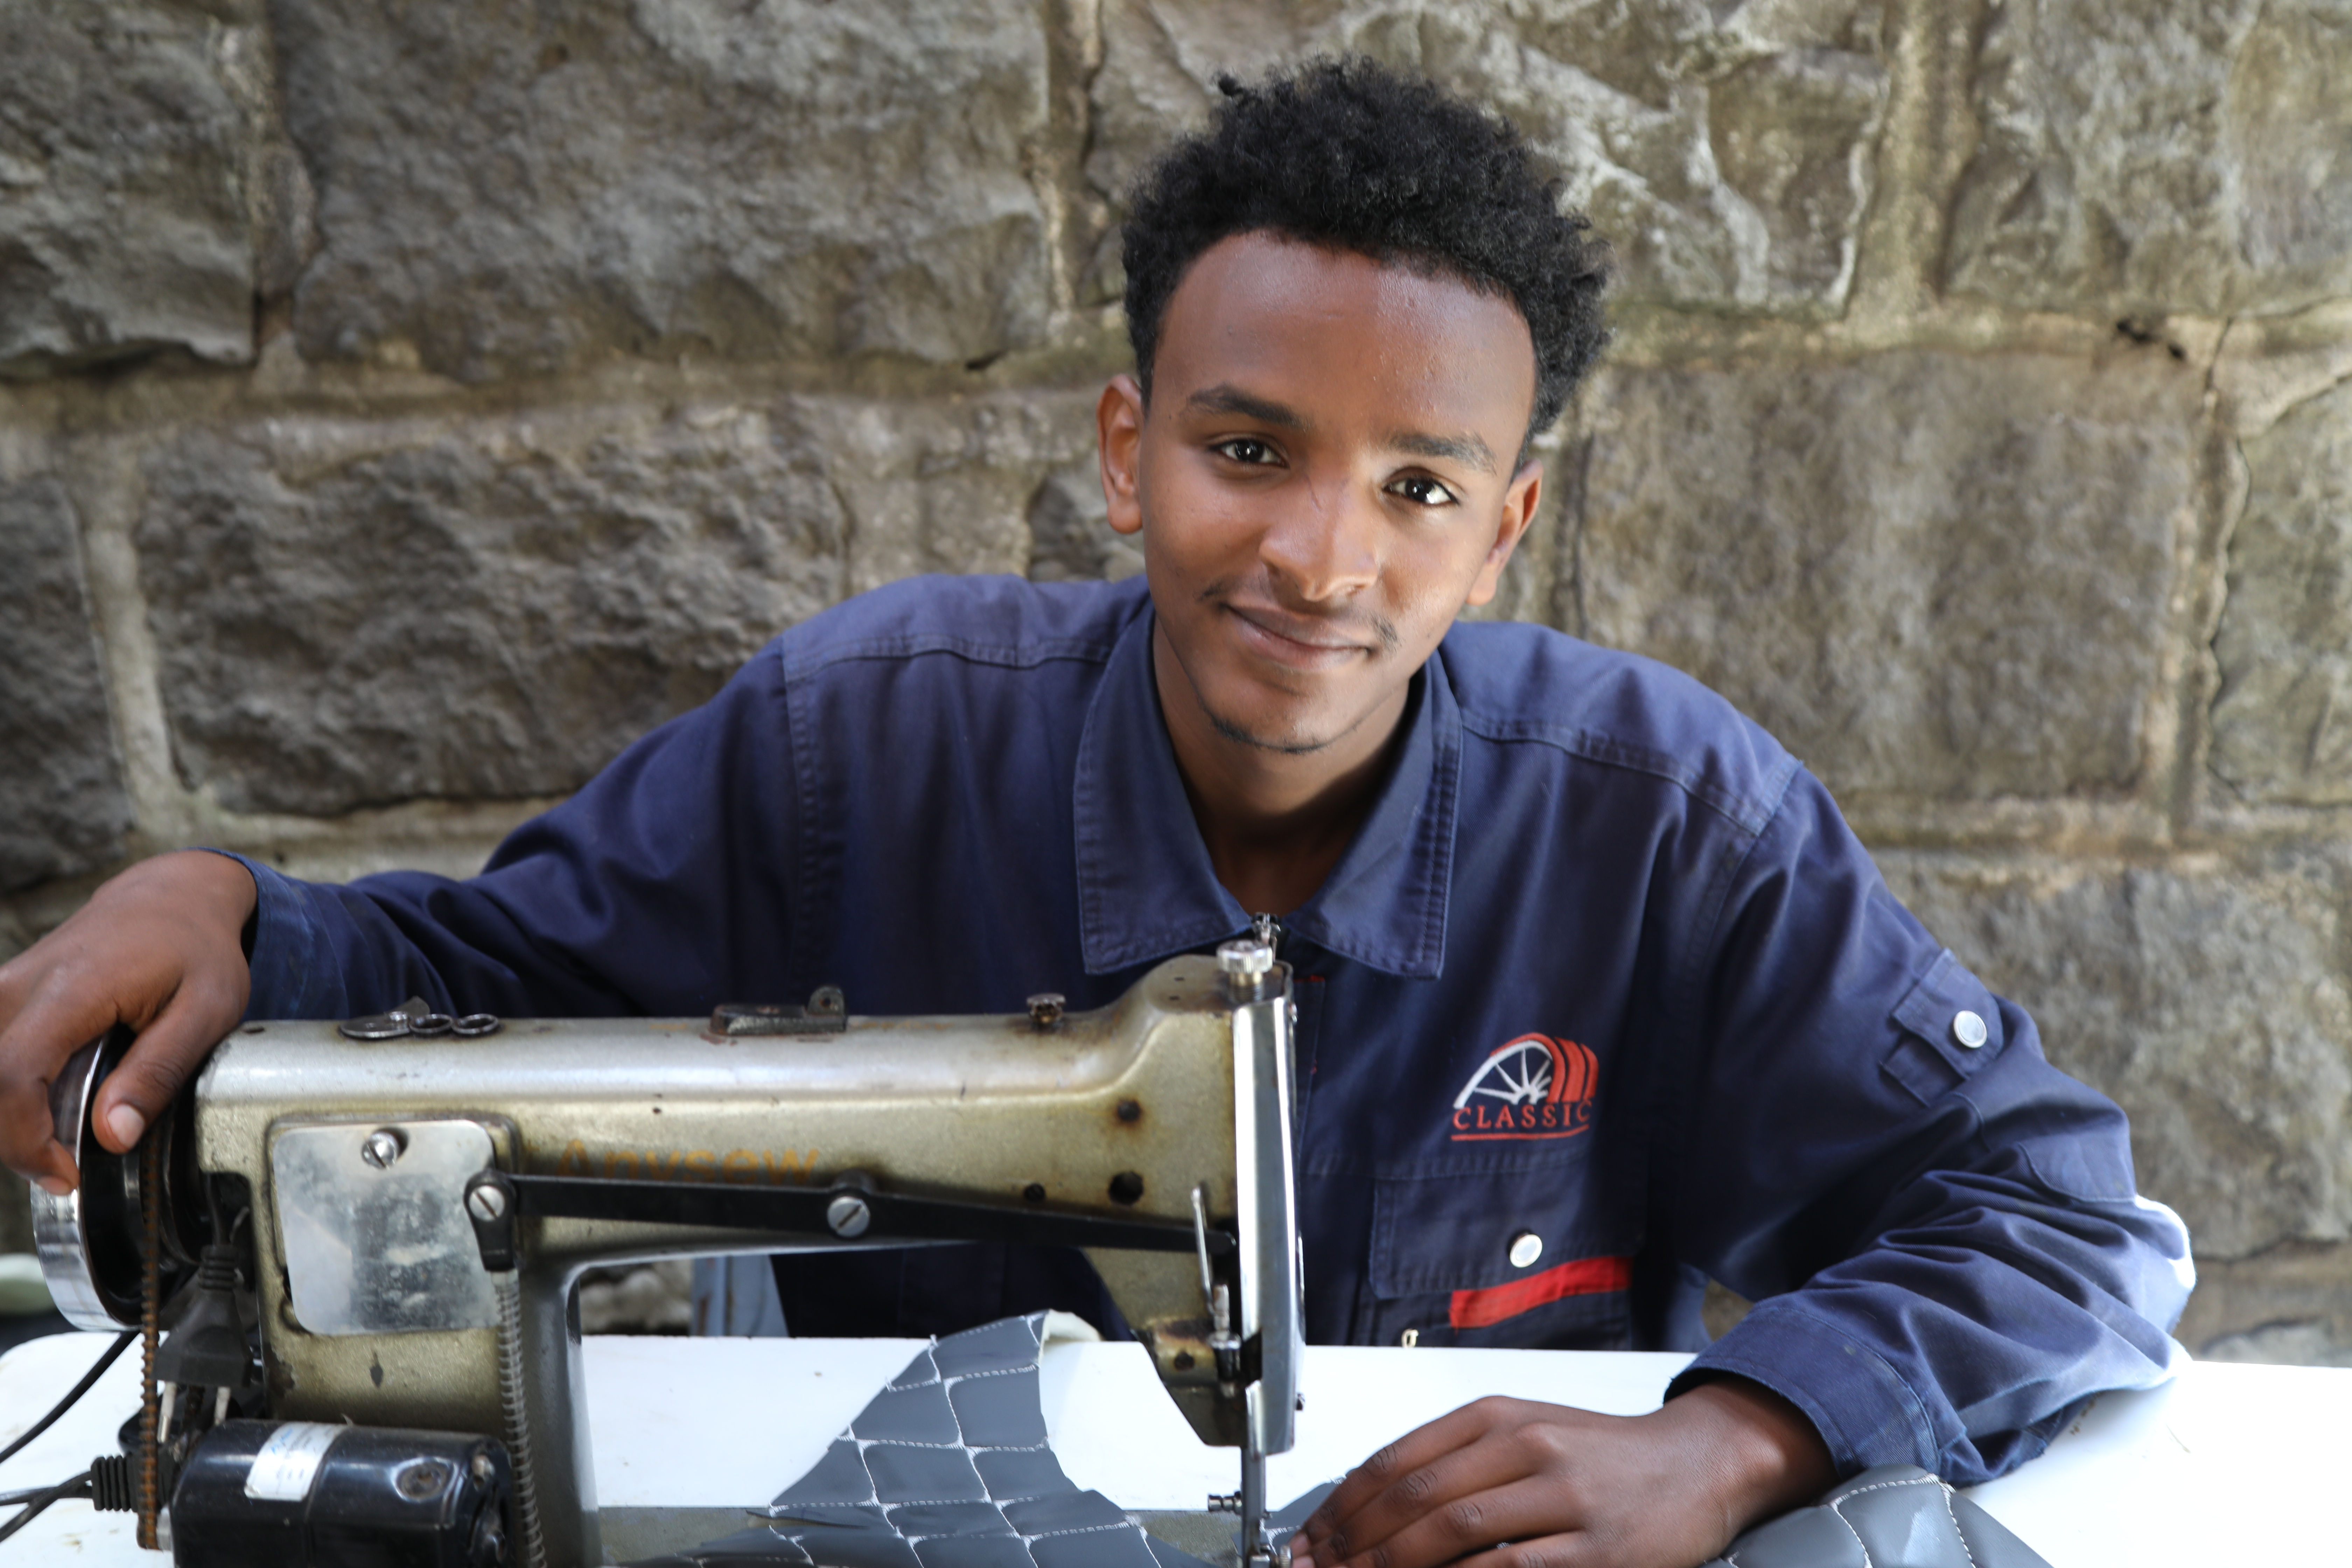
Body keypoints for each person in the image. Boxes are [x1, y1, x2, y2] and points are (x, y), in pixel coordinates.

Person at [0, 58, 2189, 1568]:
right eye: (1250, 451)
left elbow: (2056, 1216)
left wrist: (1729, 1441)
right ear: (1128, 450)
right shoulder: (857, 752)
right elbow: (483, 990)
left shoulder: (1668, 827)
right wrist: (230, 916)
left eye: (1419, 488)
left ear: (1508, 527)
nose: (1324, 557)